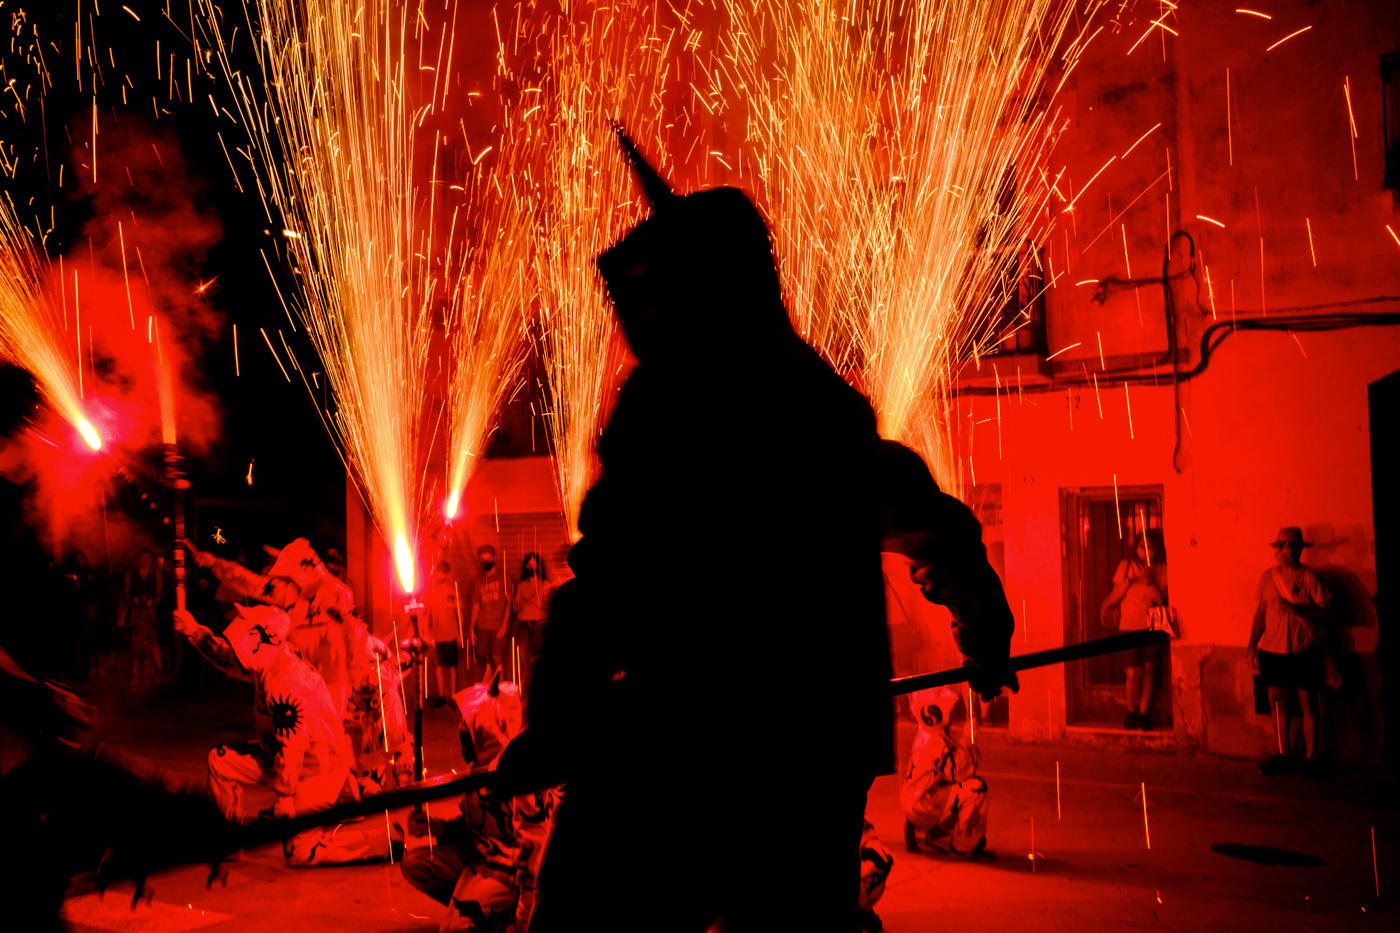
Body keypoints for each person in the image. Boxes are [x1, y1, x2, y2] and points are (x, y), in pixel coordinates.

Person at [492, 134, 949, 932]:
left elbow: (610, 582)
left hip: (689, 744)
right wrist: (975, 599)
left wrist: (554, 725)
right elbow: (908, 498)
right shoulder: (826, 403)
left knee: (584, 915)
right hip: (818, 750)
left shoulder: (673, 401)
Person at [173, 603, 394, 865]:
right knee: (220, 761)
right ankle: (229, 839)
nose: (236, 645)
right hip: (287, 756)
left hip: (317, 768)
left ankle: (386, 843)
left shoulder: (283, 679)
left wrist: (285, 799)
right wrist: (195, 631)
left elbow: (293, 744)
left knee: (300, 852)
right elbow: (231, 658)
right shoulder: (273, 657)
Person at [401, 670, 557, 931]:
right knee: (416, 864)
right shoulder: (480, 770)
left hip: (508, 871)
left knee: (455, 929)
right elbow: (478, 826)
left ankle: (503, 916)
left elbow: (534, 853)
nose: (462, 741)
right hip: (480, 858)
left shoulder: (519, 775)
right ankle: (483, 912)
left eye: (467, 733)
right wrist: (436, 827)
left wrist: (526, 915)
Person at [1247, 526, 1332, 780]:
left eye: (1289, 547)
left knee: (1309, 703)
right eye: (1280, 547)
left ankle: (1312, 759)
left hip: (1302, 649)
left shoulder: (1310, 578)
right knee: (1277, 703)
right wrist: (1252, 644)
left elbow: (1327, 614)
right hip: (1272, 651)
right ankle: (1284, 755)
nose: (1284, 552)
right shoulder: (1267, 577)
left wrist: (1294, 609)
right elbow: (1261, 613)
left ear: (1299, 550)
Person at [901, 687, 991, 861]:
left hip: (914, 801)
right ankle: (961, 847)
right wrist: (968, 741)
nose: (954, 715)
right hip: (922, 804)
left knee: (949, 789)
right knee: (976, 788)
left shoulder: (926, 733)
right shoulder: (936, 743)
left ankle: (933, 834)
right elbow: (961, 773)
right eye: (950, 711)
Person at [1100, 530, 1168, 730]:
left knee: (1148, 672)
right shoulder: (1126, 565)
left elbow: (1163, 597)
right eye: (1141, 545)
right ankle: (1131, 712)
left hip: (1152, 625)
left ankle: (1143, 715)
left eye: (1150, 546)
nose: (1145, 550)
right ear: (1136, 547)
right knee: (1131, 674)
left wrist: (1150, 580)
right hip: (1128, 626)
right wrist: (1130, 579)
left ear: (1155, 549)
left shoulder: (1161, 568)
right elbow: (1115, 595)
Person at [471, 545, 512, 679]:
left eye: (488, 558)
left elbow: (509, 603)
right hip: (482, 626)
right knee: (486, 659)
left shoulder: (503, 576)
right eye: (483, 559)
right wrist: (471, 627)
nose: (486, 561)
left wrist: (503, 626)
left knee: (497, 657)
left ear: (494, 558)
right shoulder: (478, 580)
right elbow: (476, 605)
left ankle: (501, 687)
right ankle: (490, 687)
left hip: (498, 625)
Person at [426, 560, 464, 705]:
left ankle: (453, 697)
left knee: (452, 667)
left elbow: (459, 613)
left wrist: (460, 633)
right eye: (437, 572)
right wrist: (426, 634)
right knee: (438, 667)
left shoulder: (453, 591)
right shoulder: (431, 592)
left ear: (447, 575)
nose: (438, 575)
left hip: (452, 635)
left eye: (441, 572)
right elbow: (426, 614)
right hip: (436, 636)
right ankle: (441, 696)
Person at [512, 552, 552, 687]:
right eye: (528, 565)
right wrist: (531, 599)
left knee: (541, 659)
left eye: (534, 564)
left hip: (540, 624)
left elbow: (546, 605)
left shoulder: (545, 583)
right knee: (525, 661)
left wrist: (529, 599)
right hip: (523, 625)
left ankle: (541, 687)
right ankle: (528, 688)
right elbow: (516, 607)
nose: (531, 567)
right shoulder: (521, 584)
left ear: (539, 566)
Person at [124, 548, 163, 686]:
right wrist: (133, 608)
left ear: (150, 560)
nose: (145, 560)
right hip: (135, 611)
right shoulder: (131, 573)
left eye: (147, 557)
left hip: (151, 612)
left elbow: (159, 592)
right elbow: (126, 592)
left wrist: (151, 607)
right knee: (135, 644)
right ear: (138, 559)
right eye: (142, 557)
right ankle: (136, 674)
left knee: (153, 642)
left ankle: (156, 672)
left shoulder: (156, 573)